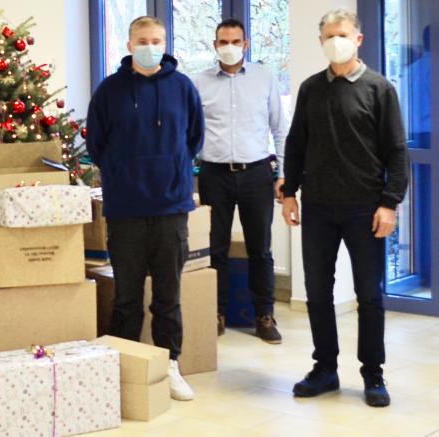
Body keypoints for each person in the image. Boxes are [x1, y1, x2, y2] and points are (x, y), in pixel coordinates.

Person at [281, 9, 409, 408]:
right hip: (318, 207)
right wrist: (289, 193)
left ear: (358, 39)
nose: (336, 41)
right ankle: (325, 369)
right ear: (321, 42)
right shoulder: (310, 89)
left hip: (364, 208)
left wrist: (389, 203)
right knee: (317, 292)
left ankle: (373, 374)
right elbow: (296, 144)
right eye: (329, 36)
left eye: (343, 34)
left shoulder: (379, 88)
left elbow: (396, 152)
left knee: (369, 295)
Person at [85, 16, 204, 402]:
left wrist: (172, 169)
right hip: (125, 209)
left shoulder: (183, 87)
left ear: (164, 44)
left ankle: (170, 366)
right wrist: (122, 171)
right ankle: (124, 368)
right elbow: (97, 143)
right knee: (127, 298)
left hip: (171, 208)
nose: (150, 47)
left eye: (156, 40)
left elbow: (194, 138)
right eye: (142, 40)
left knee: (168, 297)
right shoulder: (109, 90)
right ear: (129, 44)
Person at [191, 18, 289, 343]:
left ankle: (264, 316)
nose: (229, 47)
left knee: (260, 250)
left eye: (236, 42)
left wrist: (283, 175)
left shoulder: (264, 78)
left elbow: (279, 128)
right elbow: (188, 132)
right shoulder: (199, 82)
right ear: (215, 45)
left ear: (246, 45)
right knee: (215, 249)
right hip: (214, 173)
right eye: (223, 42)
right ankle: (215, 313)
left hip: (257, 173)